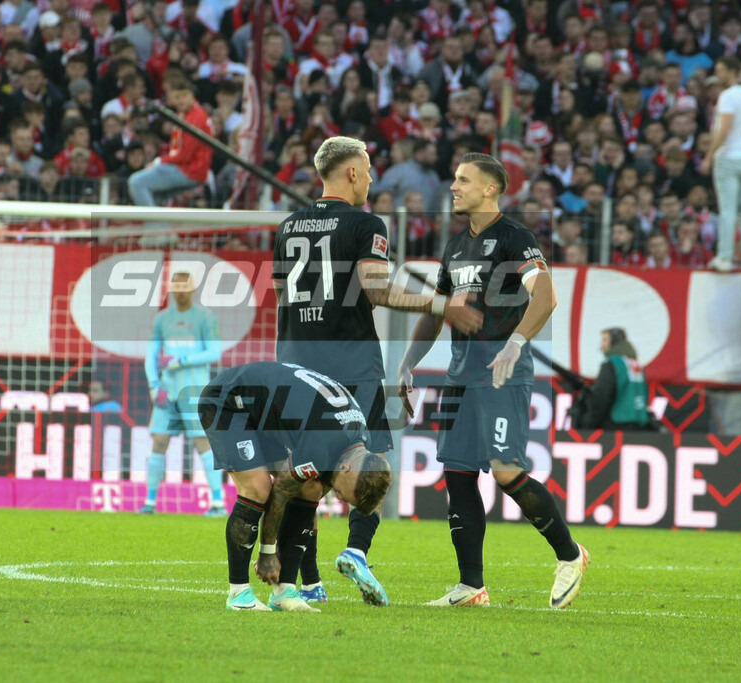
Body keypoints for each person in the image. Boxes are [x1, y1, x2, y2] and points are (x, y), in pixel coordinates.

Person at [272, 135, 482, 606]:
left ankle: (308, 584)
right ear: (351, 172)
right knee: (374, 463)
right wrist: (441, 304)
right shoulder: (366, 223)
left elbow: (283, 294)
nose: (370, 179)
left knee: (308, 474)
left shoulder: (288, 226)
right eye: (367, 170)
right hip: (351, 366)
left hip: (297, 366)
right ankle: (356, 550)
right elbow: (377, 289)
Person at [397, 153, 589, 609]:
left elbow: (546, 296)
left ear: (490, 189)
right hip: (459, 376)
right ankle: (471, 586)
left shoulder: (514, 238)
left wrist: (516, 342)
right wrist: (406, 364)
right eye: (454, 178)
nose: (453, 187)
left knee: (506, 471)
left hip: (502, 373)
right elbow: (437, 311)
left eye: (463, 180)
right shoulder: (455, 247)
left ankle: (570, 554)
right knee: (458, 474)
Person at [197, 361, 392, 612]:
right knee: (258, 488)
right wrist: (268, 553)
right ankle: (238, 593)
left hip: (262, 412)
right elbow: (281, 491)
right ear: (346, 469)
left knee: (311, 488)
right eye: (345, 495)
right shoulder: (323, 442)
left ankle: (285, 591)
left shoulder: (358, 439)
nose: (339, 497)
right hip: (228, 401)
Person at [141, 271, 225, 517]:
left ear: (192, 289)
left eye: (184, 289)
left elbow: (214, 352)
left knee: (203, 443)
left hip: (195, 391)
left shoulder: (205, 317)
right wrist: (154, 386)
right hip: (168, 391)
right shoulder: (162, 319)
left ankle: (218, 502)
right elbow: (151, 355)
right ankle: (149, 502)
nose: (180, 293)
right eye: (176, 289)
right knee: (159, 441)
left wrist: (181, 360)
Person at [701, 56, 741, 272]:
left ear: (732, 71)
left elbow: (723, 129)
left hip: (728, 157)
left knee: (728, 209)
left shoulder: (727, 96)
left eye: (721, 70)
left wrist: (709, 156)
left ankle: (725, 257)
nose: (718, 74)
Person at [127, 78, 212, 207]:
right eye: (177, 97)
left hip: (190, 169)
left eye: (184, 96)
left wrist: (158, 161)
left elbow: (185, 155)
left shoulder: (196, 116)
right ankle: (157, 220)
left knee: (136, 182)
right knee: (154, 196)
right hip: (189, 168)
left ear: (192, 96)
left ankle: (151, 221)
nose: (181, 101)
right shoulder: (183, 114)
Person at [575, 328, 651, 430]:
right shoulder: (636, 365)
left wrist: (589, 424)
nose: (601, 344)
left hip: (617, 423)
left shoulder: (612, 364)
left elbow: (602, 396)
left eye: (605, 340)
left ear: (614, 341)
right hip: (639, 423)